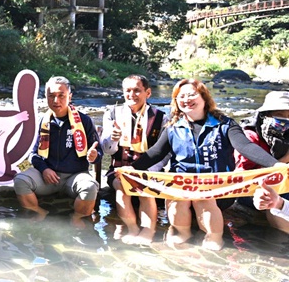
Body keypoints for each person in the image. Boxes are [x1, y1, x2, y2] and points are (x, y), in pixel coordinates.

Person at [132, 78, 278, 250]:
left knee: (202, 197)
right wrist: (132, 169)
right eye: (181, 96)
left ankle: (214, 237)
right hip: (182, 186)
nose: (186, 99)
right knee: (177, 198)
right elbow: (155, 153)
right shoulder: (172, 127)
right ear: (176, 101)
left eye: (191, 95)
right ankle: (182, 233)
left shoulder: (225, 124)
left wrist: (275, 165)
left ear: (204, 97)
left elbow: (245, 146)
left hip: (218, 189)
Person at [13, 76, 101, 225]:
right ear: (46, 97)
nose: (56, 100)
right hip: (47, 177)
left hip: (75, 175)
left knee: (90, 187)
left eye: (61, 96)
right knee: (20, 181)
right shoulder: (42, 121)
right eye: (51, 96)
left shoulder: (84, 121)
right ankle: (39, 212)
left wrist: (94, 156)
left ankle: (77, 218)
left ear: (69, 97)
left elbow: (98, 152)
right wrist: (44, 169)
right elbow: (33, 154)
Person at [100, 74, 167, 245]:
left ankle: (148, 230)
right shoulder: (112, 113)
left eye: (137, 90)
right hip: (118, 170)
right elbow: (107, 150)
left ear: (148, 93)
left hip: (148, 171)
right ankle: (132, 228)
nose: (132, 95)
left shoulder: (160, 117)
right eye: (128, 91)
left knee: (143, 186)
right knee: (123, 186)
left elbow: (165, 153)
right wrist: (113, 139)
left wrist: (146, 172)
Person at [235, 90, 289, 234]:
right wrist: (285, 160)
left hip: (284, 187)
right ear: (266, 116)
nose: (285, 120)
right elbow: (242, 178)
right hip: (253, 192)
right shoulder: (250, 137)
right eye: (280, 115)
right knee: (273, 199)